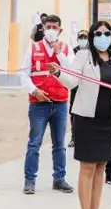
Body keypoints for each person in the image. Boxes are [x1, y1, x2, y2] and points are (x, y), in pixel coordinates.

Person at [51, 21, 111, 209]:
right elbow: (72, 82)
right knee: (87, 168)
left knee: (101, 167)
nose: (103, 36)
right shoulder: (83, 56)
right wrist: (58, 73)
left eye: (107, 33)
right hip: (87, 119)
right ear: (93, 36)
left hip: (109, 119)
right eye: (98, 33)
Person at [19, 15, 75, 195]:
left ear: (60, 30)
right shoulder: (33, 47)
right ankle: (30, 180)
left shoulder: (66, 49)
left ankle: (59, 179)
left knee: (59, 144)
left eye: (55, 27)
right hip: (38, 104)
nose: (51, 30)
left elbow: (72, 73)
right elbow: (23, 74)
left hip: (60, 103)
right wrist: (34, 90)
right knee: (34, 143)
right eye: (48, 26)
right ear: (43, 28)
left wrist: (58, 53)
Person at [68, 29, 89, 148]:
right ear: (77, 40)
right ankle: (74, 138)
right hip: (75, 86)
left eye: (85, 37)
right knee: (74, 113)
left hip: (88, 87)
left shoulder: (93, 52)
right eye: (81, 38)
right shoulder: (73, 52)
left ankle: (86, 137)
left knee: (89, 112)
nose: (83, 40)